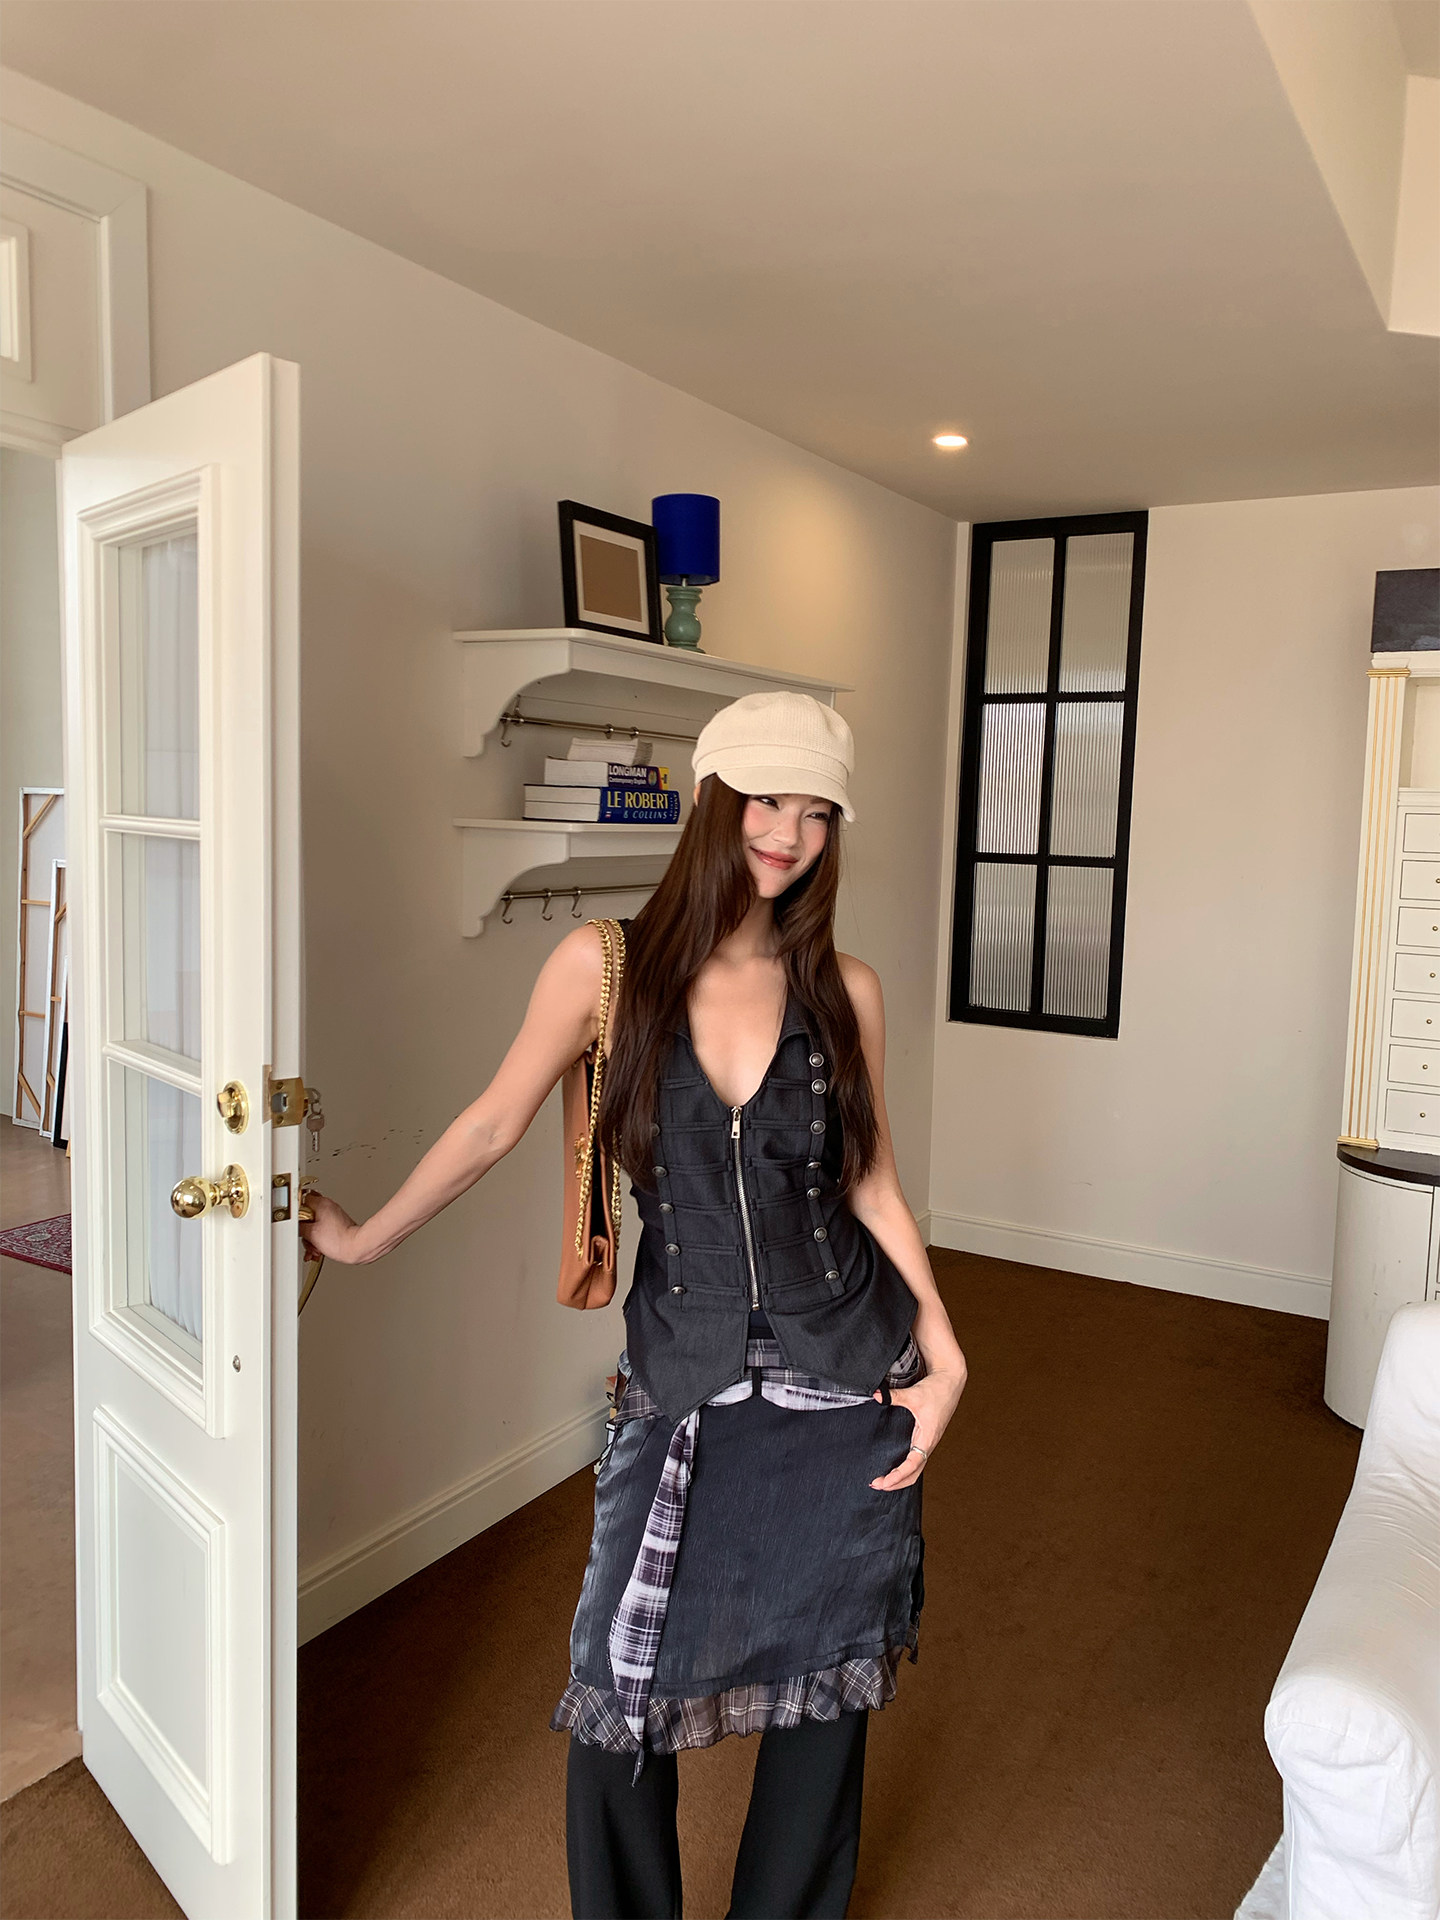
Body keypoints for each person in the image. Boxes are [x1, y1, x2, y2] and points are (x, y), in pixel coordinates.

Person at [302, 690, 968, 1919]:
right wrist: (361, 1240)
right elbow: (493, 1123)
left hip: (847, 1375)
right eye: (767, 798)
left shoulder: (847, 989)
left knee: (830, 1684)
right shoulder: (603, 970)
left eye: (818, 811)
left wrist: (946, 1354)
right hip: (683, 1375)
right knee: (617, 1688)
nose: (788, 832)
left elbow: (872, 1182)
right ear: (712, 798)